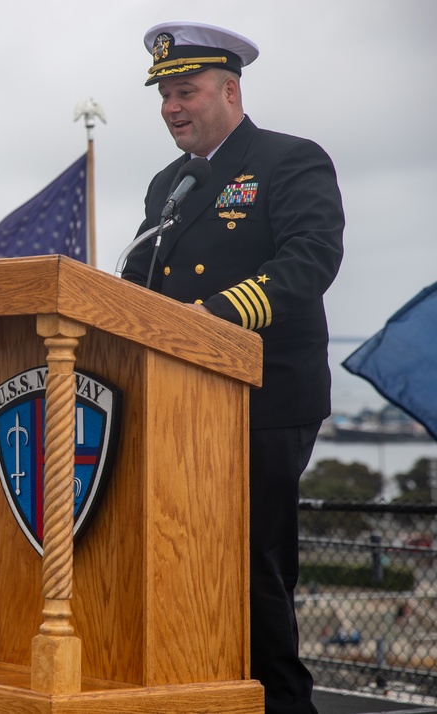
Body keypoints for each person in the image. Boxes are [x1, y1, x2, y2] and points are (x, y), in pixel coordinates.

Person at [122, 22, 344, 714]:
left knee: (251, 562)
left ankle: (282, 702)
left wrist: (212, 317)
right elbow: (144, 283)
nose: (171, 108)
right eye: (164, 96)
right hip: (179, 400)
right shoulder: (171, 184)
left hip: (265, 394)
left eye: (185, 92)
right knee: (184, 559)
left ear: (230, 89)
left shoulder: (289, 161)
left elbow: (310, 262)